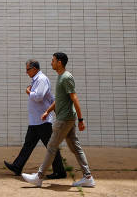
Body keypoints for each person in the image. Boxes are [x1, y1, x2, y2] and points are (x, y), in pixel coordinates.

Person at [22, 52, 95, 188]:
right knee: (75, 148)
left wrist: (81, 119)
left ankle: (39, 177)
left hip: (64, 119)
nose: (51, 63)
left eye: (53, 60)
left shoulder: (66, 77)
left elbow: (74, 98)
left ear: (59, 62)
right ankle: (88, 177)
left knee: (51, 147)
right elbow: (60, 100)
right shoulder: (61, 77)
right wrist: (47, 111)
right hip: (67, 118)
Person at [4, 59, 67, 179]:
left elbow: (38, 96)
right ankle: (17, 166)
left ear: (34, 69)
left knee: (51, 147)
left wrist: (29, 91)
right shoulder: (36, 80)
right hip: (36, 121)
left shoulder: (41, 79)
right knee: (28, 144)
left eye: (28, 69)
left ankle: (60, 171)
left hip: (43, 121)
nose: (26, 72)